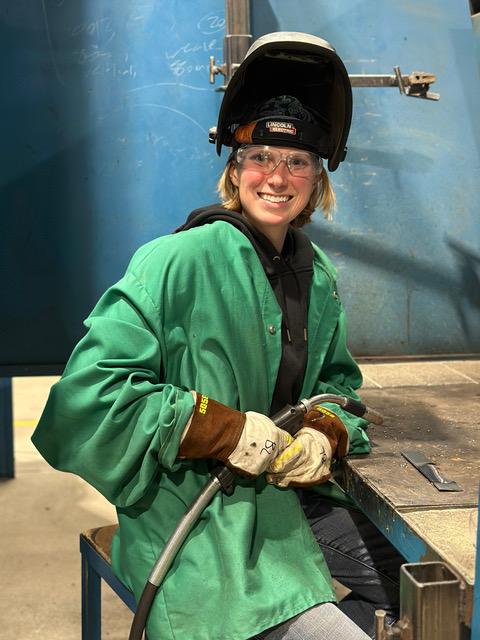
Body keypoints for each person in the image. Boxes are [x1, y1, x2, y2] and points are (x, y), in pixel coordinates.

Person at [32, 33, 403, 640]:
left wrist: (325, 432)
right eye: (261, 157)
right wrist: (222, 428)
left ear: (318, 178)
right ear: (235, 167)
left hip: (287, 505)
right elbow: (88, 396)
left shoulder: (318, 275)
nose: (277, 177)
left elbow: (339, 389)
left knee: (429, 584)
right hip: (199, 517)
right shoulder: (177, 260)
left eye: (298, 162)